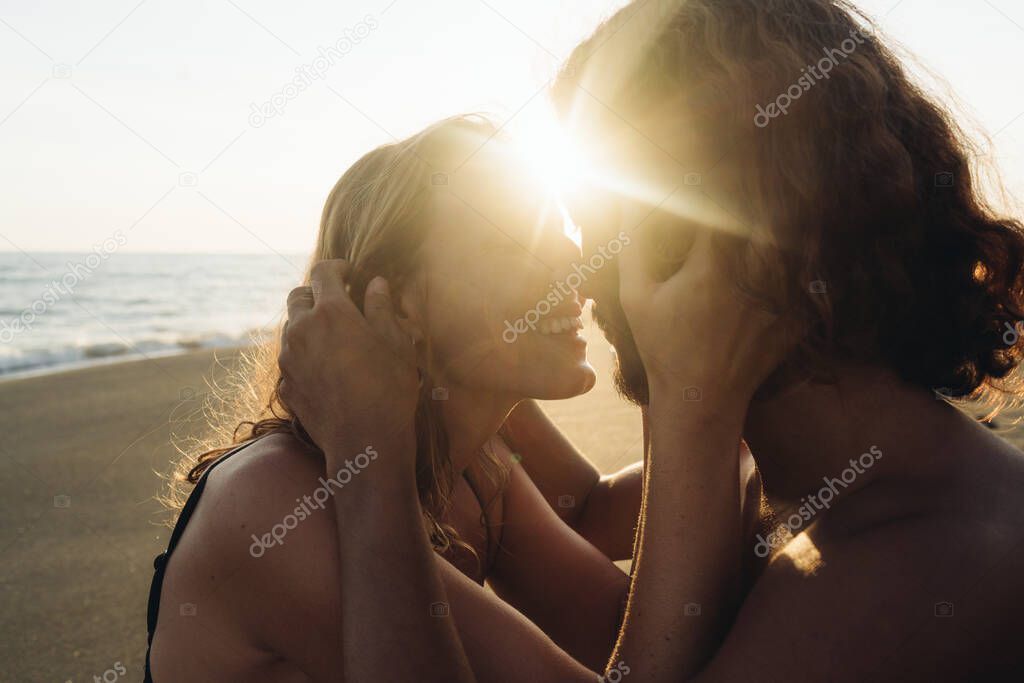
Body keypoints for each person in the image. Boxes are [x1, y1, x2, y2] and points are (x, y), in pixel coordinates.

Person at [279, 0, 1024, 680]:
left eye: (599, 219)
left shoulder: (908, 564)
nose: (582, 268)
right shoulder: (795, 488)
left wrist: (690, 406)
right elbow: (590, 538)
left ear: (721, 237)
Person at [145, 115, 658, 681]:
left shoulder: (479, 469)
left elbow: (618, 637)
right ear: (397, 304)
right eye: (515, 238)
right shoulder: (277, 501)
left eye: (561, 229)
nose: (573, 261)